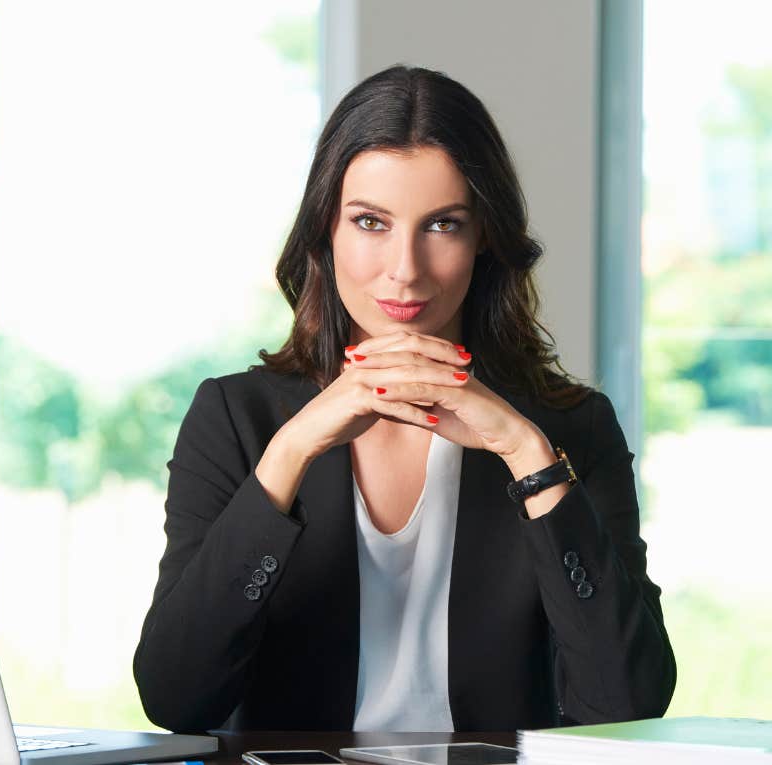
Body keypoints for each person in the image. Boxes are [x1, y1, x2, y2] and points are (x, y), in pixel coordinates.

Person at [133, 64, 676, 733]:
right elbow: (174, 697)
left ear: (485, 240)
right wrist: (292, 450)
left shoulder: (570, 428)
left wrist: (525, 450)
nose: (405, 269)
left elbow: (629, 702)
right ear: (325, 233)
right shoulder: (237, 419)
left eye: (443, 225)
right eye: (370, 222)